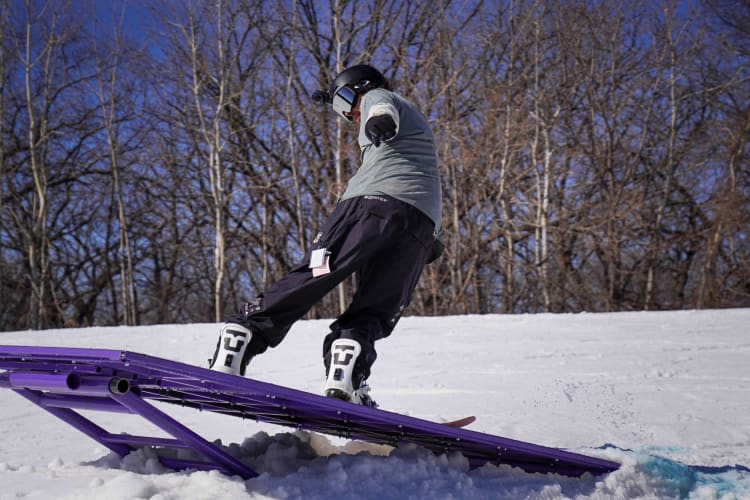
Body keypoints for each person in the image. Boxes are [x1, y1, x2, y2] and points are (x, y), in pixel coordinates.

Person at [208, 64, 442, 406]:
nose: (349, 114)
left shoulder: (381, 98)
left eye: (345, 100)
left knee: (317, 272)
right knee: (377, 306)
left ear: (360, 88)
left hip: (371, 208)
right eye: (341, 110)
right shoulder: (416, 134)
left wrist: (379, 119)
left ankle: (245, 330)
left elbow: (379, 105)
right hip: (417, 226)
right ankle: (348, 375)